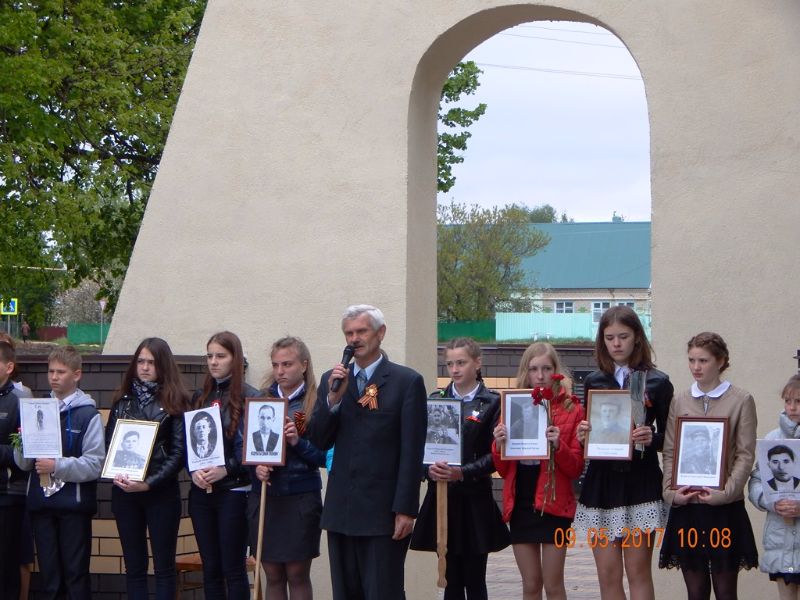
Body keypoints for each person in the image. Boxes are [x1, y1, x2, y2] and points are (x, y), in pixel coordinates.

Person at [308, 304, 427, 600]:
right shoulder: (332, 380)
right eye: (349, 333)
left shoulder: (406, 382)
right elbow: (319, 440)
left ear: (380, 333)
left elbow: (412, 452)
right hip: (341, 511)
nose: (354, 339)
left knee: (382, 591)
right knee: (345, 593)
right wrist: (332, 400)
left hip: (382, 513)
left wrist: (406, 509)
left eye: (361, 331)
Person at [574, 306, 673, 600]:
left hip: (640, 481)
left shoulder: (658, 381)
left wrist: (651, 437)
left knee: (637, 572)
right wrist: (583, 435)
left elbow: (671, 439)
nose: (616, 344)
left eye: (623, 336)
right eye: (609, 338)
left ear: (637, 337)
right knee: (607, 574)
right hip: (602, 483)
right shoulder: (594, 381)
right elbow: (591, 431)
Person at [660, 332, 758, 600]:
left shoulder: (740, 399)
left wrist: (725, 493)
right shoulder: (680, 400)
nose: (696, 367)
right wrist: (671, 493)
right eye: (691, 360)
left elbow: (745, 454)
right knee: (696, 592)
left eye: (703, 361)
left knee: (725, 592)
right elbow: (670, 451)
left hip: (724, 510)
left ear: (721, 361)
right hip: (688, 508)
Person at [410, 337, 510, 600]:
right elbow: (420, 448)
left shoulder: (492, 402)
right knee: (450, 578)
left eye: (461, 363)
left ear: (477, 363)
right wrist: (428, 470)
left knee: (475, 578)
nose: (454, 369)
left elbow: (495, 456)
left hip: (475, 499)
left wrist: (463, 472)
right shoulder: (436, 400)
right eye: (450, 364)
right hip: (443, 498)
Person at [492, 342, 584, 600]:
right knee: (531, 584)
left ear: (556, 371)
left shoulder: (572, 408)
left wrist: (559, 446)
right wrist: (498, 444)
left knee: (553, 585)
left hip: (555, 503)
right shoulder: (514, 405)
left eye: (546, 368)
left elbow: (575, 468)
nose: (540, 375)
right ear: (526, 372)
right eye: (534, 369)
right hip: (521, 500)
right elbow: (502, 469)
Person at [15, 346, 105, 599]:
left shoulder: (88, 415)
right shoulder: (37, 410)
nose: (53, 377)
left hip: (73, 507)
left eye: (61, 372)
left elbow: (94, 464)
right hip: (42, 505)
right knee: (50, 578)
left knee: (75, 576)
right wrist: (23, 441)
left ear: (77, 375)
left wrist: (57, 466)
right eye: (50, 371)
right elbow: (24, 464)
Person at [105, 337, 190, 600]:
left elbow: (178, 454)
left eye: (151, 362)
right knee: (134, 567)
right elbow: (110, 444)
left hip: (160, 493)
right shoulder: (122, 401)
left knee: (164, 567)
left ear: (163, 365)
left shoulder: (176, 402)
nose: (144, 367)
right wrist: (117, 474)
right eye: (140, 361)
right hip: (125, 493)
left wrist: (149, 483)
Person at [249, 336, 326, 600]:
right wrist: (256, 468)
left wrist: (297, 442)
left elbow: (324, 457)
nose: (280, 371)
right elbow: (243, 448)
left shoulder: (316, 402)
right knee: (272, 574)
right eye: (275, 365)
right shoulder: (260, 400)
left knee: (296, 574)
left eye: (287, 364)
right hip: (266, 497)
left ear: (304, 365)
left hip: (300, 498)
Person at [190, 331, 260, 600]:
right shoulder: (200, 396)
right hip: (202, 492)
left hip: (235, 490)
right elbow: (190, 443)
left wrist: (226, 469)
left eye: (221, 356)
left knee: (233, 568)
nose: (213, 362)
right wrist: (194, 471)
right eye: (209, 356)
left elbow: (253, 449)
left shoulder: (250, 396)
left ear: (235, 358)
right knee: (211, 569)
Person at [749, 374, 800, 599]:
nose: (792, 407)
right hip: (780, 539)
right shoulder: (773, 438)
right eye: (788, 401)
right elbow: (757, 481)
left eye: (798, 401)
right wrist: (771, 502)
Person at [0, 341, 25, 599]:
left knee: (6, 564)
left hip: (7, 494)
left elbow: (24, 452)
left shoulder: (19, 400)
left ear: (9, 367)